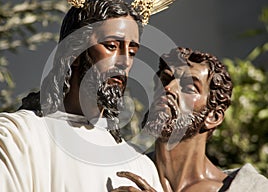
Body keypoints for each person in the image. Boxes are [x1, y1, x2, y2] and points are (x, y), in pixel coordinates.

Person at [0, 0, 166, 191]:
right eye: (111, 46)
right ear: (74, 52)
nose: (125, 62)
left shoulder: (140, 167)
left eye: (132, 52)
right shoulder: (16, 139)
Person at [113, 47, 268, 191]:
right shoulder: (122, 172)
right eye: (165, 80)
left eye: (189, 88)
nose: (168, 89)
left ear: (213, 116)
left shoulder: (249, 188)